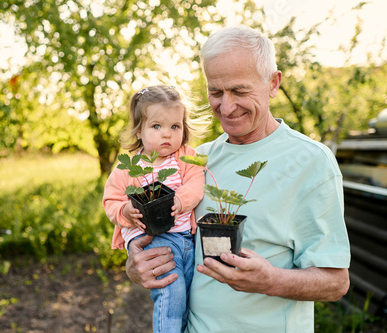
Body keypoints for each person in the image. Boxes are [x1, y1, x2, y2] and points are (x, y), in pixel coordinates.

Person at [124, 26, 351, 332]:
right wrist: (136, 265)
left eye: (240, 91)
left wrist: (271, 280)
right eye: (215, 92)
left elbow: (336, 283)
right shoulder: (194, 159)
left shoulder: (311, 161)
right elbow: (165, 236)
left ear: (273, 83)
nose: (226, 107)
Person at [103, 85, 207, 332]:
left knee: (188, 300)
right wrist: (126, 211)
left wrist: (180, 200)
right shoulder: (128, 168)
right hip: (156, 241)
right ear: (139, 131)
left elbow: (196, 182)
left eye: (175, 126)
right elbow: (111, 201)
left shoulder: (185, 158)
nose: (167, 135)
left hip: (187, 242)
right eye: (156, 126)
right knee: (172, 294)